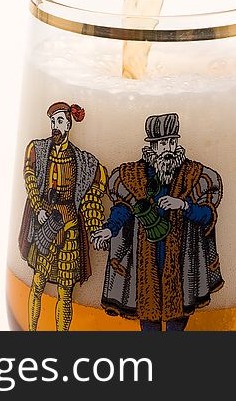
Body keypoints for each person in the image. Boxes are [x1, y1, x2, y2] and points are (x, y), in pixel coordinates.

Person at [91, 113, 224, 331]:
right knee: (148, 313)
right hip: (145, 261)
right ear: (152, 146)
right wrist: (109, 230)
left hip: (182, 261)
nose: (169, 148)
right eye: (163, 143)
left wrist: (183, 205)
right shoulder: (132, 175)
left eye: (173, 142)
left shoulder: (195, 175)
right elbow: (124, 208)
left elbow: (207, 215)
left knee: (178, 315)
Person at [17, 102, 107, 331]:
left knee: (65, 292)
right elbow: (29, 177)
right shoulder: (39, 149)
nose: (54, 126)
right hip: (45, 222)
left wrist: (94, 219)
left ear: (69, 124)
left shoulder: (82, 160)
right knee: (37, 282)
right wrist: (39, 209)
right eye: (52, 121)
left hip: (69, 227)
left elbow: (97, 185)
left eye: (59, 121)